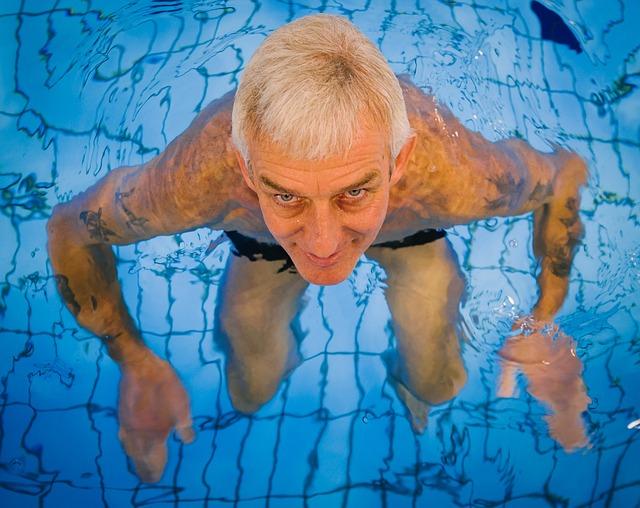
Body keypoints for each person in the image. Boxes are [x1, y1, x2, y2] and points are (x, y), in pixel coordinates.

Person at [46, 14, 588, 481]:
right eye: (287, 194)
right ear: (245, 168)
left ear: (397, 163)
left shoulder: (456, 177)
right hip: (262, 241)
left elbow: (565, 175)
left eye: (355, 190)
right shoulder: (196, 179)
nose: (324, 245)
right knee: (250, 390)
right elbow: (69, 227)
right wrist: (137, 363)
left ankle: (408, 380)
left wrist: (544, 319)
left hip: (407, 230)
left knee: (438, 383)